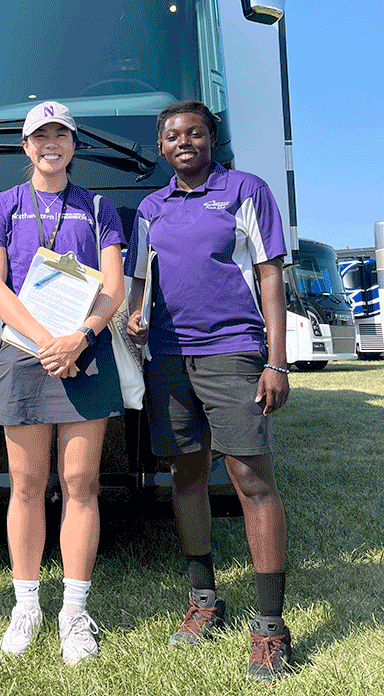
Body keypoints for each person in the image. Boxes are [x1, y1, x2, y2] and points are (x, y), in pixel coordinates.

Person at [124, 100, 292, 682]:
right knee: (186, 476)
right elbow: (140, 280)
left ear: (211, 138)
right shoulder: (151, 206)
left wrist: (277, 360)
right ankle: (204, 600)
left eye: (193, 133)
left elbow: (270, 273)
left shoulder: (247, 190)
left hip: (234, 351)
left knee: (250, 477)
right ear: (163, 148)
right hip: (169, 358)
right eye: (172, 136)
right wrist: (133, 316)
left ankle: (270, 628)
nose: (183, 142)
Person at [0, 101, 125, 665]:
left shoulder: (99, 207)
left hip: (85, 351)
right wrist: (46, 340)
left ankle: (75, 611)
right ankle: (26, 606)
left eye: (60, 135)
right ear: (25, 145)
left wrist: (82, 336)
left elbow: (112, 283)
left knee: (81, 483)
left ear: (73, 144)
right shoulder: (3, 206)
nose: (51, 144)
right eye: (40, 136)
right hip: (26, 352)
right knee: (26, 485)